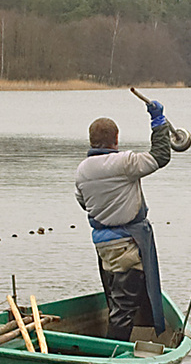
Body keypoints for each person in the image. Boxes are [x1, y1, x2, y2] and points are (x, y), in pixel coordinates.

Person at [74, 92, 178, 341]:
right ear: (116, 139)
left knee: (117, 301)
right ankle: (112, 357)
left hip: (103, 246)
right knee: (124, 310)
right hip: (127, 246)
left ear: (91, 141)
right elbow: (160, 156)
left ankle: (121, 348)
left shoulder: (82, 170)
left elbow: (83, 203)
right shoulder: (124, 163)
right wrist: (158, 122)